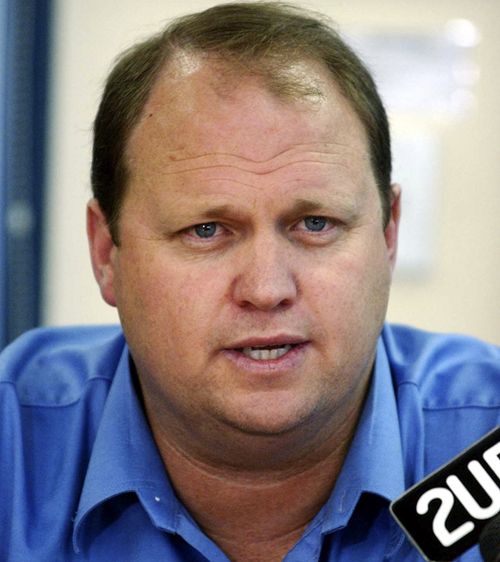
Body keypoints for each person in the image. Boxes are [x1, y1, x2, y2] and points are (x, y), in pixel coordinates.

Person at [0, 3, 499, 561]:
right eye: (206, 230)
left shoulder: (489, 439)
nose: (266, 289)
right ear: (105, 254)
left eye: (316, 224)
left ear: (388, 235)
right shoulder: (13, 448)